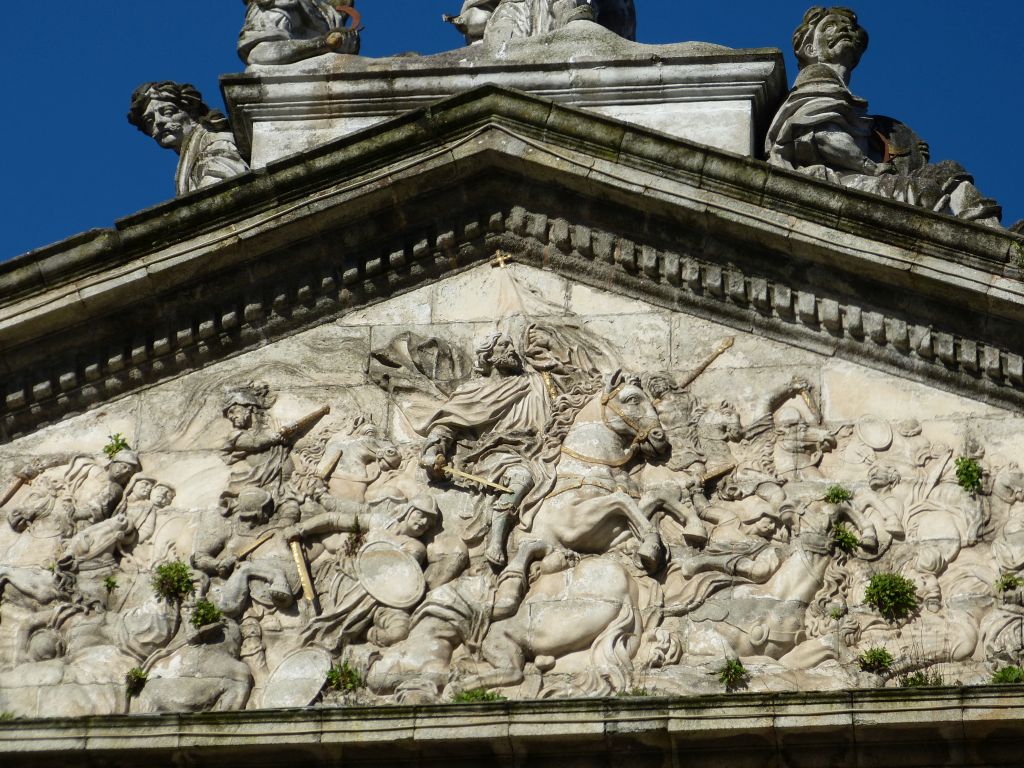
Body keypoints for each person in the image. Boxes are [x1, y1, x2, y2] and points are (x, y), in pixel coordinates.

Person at [766, 7, 1001, 225]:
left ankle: (988, 229)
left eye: (849, 27)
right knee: (923, 192)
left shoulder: (846, 96)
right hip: (836, 182)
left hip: (857, 177)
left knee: (949, 169)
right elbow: (822, 137)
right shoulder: (816, 77)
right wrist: (871, 167)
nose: (843, 29)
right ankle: (977, 237)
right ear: (810, 49)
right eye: (829, 27)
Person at [127, 82, 249, 197]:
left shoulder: (214, 139)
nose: (158, 122)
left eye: (168, 112)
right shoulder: (190, 151)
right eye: (149, 120)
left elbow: (221, 184)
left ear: (191, 112)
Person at [238, 0, 361, 66]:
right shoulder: (273, 7)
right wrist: (322, 44)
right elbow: (259, 53)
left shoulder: (326, 12)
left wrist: (344, 40)